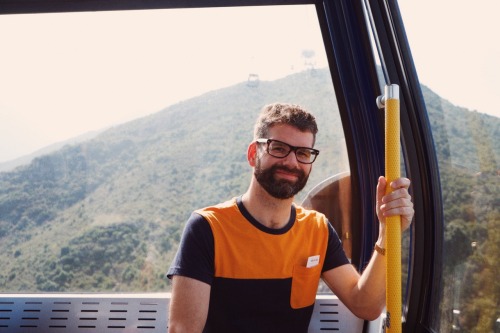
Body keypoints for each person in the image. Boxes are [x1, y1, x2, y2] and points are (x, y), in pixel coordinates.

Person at [167, 102, 414, 333]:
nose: (291, 161)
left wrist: (386, 233)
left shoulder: (317, 229)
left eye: (303, 153)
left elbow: (365, 305)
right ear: (254, 153)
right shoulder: (208, 227)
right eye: (279, 148)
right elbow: (183, 330)